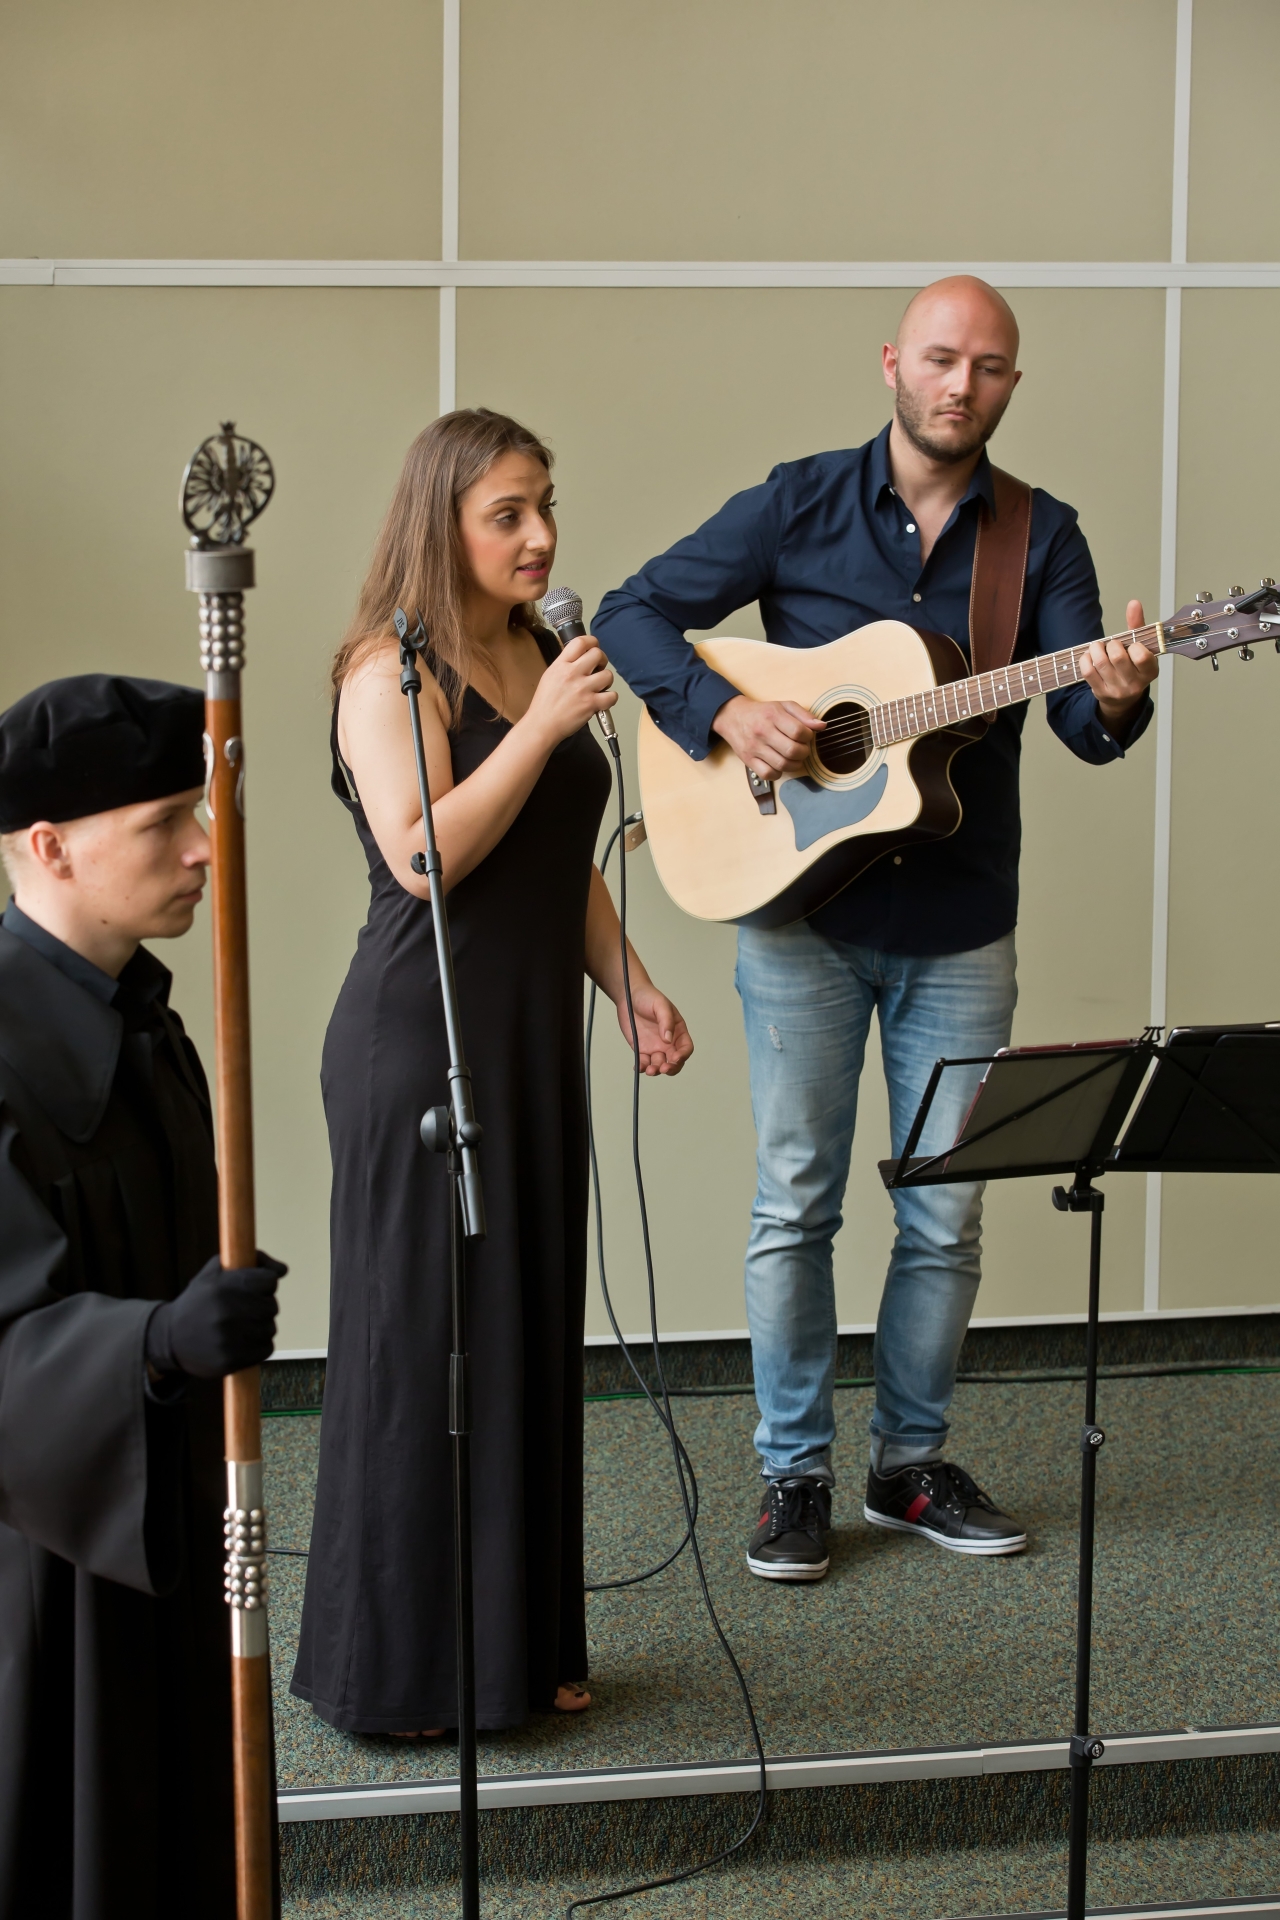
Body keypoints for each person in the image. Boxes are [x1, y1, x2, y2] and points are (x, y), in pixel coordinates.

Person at [594, 276, 1158, 1583]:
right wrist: (725, 713)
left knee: (944, 1216)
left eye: (990, 368)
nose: (963, 385)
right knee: (795, 1201)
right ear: (893, 362)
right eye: (943, 359)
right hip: (798, 910)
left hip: (960, 927)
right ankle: (792, 1477)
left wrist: (1122, 694)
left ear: (1011, 385)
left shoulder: (1043, 537)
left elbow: (1079, 727)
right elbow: (630, 611)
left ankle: (908, 1466)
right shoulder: (798, 501)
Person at [291, 409, 693, 1737]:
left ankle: (515, 1651)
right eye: (507, 513)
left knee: (520, 1335)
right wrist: (542, 728)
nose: (540, 537)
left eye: (545, 506)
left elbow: (550, 855)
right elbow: (424, 854)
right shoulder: (387, 668)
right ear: (442, 522)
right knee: (426, 1352)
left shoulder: (534, 652)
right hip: (419, 1044)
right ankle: (401, 1674)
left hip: (523, 1040)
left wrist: (629, 983)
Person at [0, 673, 284, 1918]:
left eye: (201, 811)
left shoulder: (147, 1019)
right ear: (50, 846)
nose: (205, 846)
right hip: (46, 1562)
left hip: (168, 1511)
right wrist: (156, 1344)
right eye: (166, 821)